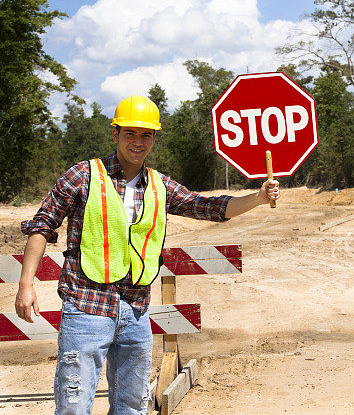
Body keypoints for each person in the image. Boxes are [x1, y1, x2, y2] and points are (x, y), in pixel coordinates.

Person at [14, 95, 279, 415]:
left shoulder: (159, 185)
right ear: (115, 134)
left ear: (154, 138)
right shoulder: (83, 176)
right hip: (86, 308)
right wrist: (25, 284)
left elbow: (208, 207)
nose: (138, 142)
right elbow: (42, 226)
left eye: (146, 135)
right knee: (73, 408)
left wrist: (258, 198)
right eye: (130, 133)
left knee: (130, 407)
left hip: (135, 312)